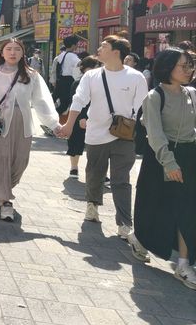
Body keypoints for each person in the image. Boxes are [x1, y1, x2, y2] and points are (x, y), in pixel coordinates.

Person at [59, 35, 148, 235]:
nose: (98, 48)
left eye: (103, 46)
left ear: (116, 52)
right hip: (96, 133)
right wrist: (69, 125)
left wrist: (132, 121)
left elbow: (142, 106)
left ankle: (124, 223)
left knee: (121, 179)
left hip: (123, 135)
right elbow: (78, 100)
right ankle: (92, 206)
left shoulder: (136, 77)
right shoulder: (92, 76)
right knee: (94, 173)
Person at [0, 39, 61, 221]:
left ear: (22, 53)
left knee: (20, 160)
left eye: (17, 49)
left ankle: (3, 190)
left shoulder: (31, 74)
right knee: (0, 158)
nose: (12, 52)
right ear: (2, 53)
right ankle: (5, 201)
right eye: (8, 49)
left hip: (22, 122)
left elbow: (41, 101)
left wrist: (54, 124)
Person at [133, 48, 196, 289]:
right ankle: (140, 239)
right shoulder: (155, 96)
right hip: (160, 157)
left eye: (190, 65)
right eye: (183, 66)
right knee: (154, 205)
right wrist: (169, 162)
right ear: (168, 68)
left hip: (189, 156)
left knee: (187, 210)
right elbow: (156, 135)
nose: (189, 70)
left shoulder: (191, 94)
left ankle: (183, 264)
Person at [66, 56, 101, 179]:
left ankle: (99, 171)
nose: (95, 70)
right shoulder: (78, 82)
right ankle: (74, 168)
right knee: (76, 142)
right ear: (84, 68)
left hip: (97, 117)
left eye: (97, 67)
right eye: (92, 67)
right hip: (81, 117)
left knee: (98, 146)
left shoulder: (101, 82)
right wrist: (81, 117)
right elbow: (75, 101)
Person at [50, 35, 81, 115]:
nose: (78, 46)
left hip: (60, 80)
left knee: (54, 99)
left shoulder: (61, 55)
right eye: (77, 44)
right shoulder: (72, 56)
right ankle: (53, 119)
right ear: (73, 45)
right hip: (68, 82)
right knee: (65, 104)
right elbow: (81, 64)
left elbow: (54, 69)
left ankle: (51, 117)